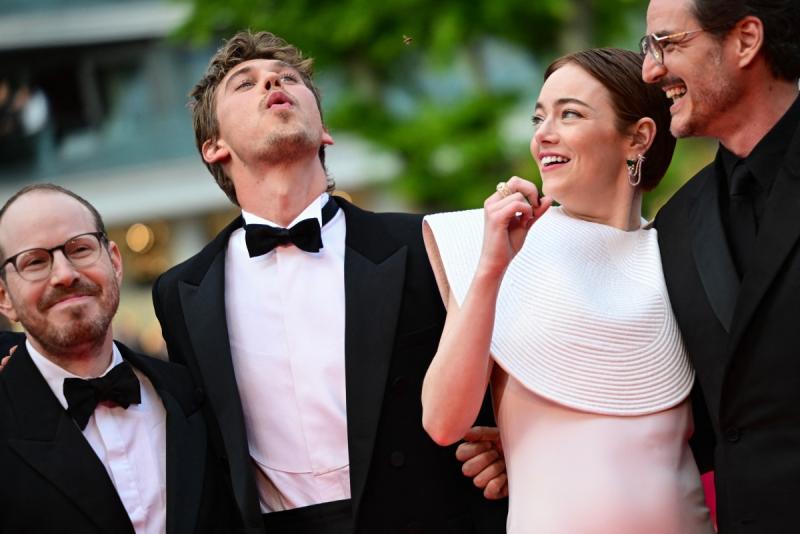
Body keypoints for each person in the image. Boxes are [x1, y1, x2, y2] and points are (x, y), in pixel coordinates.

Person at [151, 30, 507, 534]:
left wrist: (512, 446)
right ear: (214, 147)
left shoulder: (426, 241)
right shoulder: (181, 293)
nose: (272, 82)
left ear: (325, 131)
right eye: (245, 83)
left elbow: (505, 383)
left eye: (288, 78)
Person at [421, 48, 714, 533]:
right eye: (539, 117)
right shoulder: (484, 242)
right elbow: (443, 421)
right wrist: (492, 266)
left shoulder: (681, 254)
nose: (543, 134)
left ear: (638, 137)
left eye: (570, 114)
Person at [641, 0, 800, 531]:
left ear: (746, 40)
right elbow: (701, 416)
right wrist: (532, 438)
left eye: (666, 44)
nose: (650, 70)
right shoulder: (676, 224)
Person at [0, 184, 233, 533]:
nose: (64, 274)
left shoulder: (190, 394)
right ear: (4, 297)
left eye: (80, 249)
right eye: (35, 261)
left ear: (115, 262)